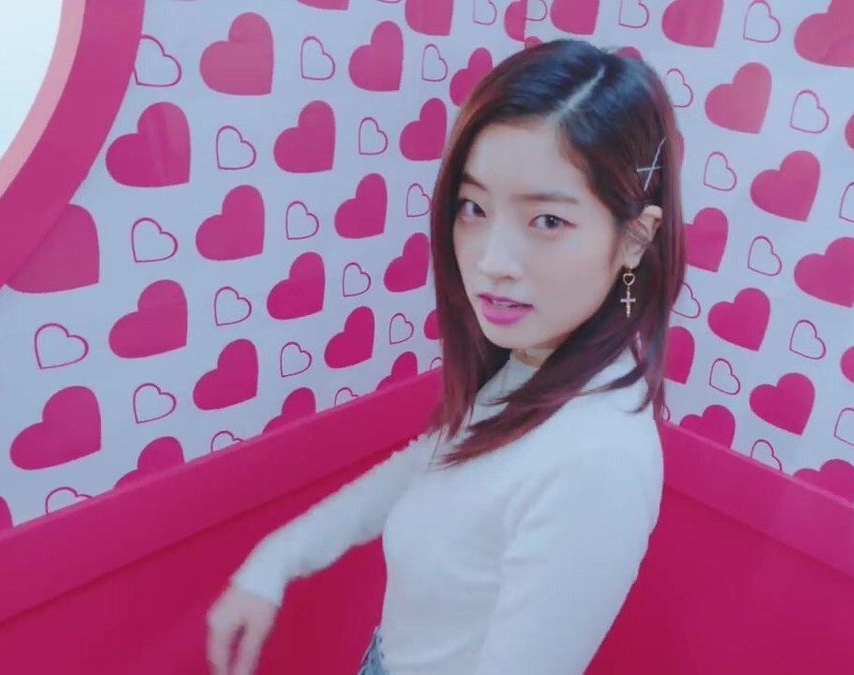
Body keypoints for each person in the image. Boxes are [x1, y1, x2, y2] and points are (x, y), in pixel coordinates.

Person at [206, 38, 686, 675]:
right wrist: (276, 560)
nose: (491, 262)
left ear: (635, 238)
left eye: (547, 221)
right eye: (473, 208)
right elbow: (432, 462)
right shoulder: (538, 360)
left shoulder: (598, 462)